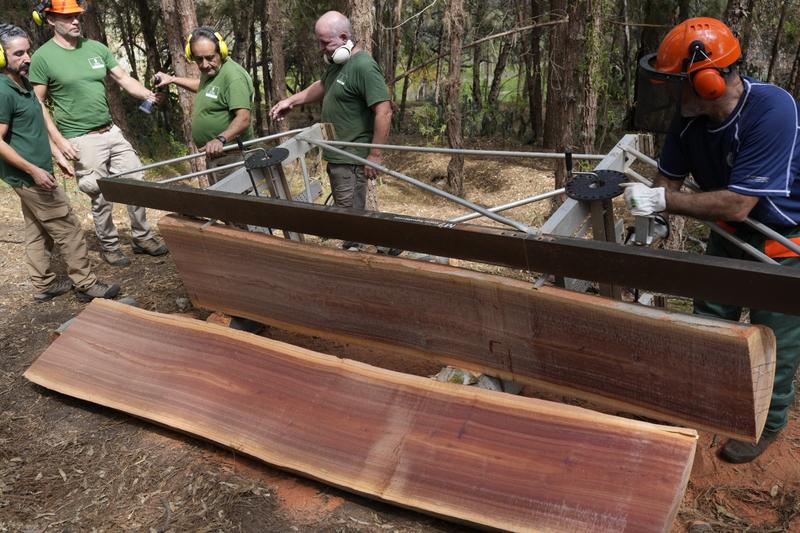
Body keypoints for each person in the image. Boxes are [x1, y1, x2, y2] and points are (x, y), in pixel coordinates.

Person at [626, 17, 800, 463]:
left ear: (706, 81)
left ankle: (766, 423)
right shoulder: (688, 122)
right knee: (710, 322)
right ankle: (707, 402)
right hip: (728, 236)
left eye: (674, 83)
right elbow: (666, 182)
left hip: (783, 241)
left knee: (774, 339)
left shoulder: (773, 110)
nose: (667, 93)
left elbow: (739, 204)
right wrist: (651, 214)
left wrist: (662, 200)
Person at [28, 0, 168, 268]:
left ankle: (142, 237)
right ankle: (110, 246)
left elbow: (124, 79)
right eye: (68, 17)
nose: (76, 21)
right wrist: (58, 143)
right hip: (80, 137)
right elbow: (38, 104)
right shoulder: (42, 58)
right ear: (50, 21)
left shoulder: (96, 48)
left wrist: (148, 94)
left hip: (111, 131)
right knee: (100, 192)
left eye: (77, 16)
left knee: (136, 180)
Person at [0, 23, 119, 302]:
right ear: (1, 57)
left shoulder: (21, 81)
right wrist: (34, 171)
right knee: (68, 226)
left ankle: (43, 283)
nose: (27, 58)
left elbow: (37, 119)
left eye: (28, 51)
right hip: (29, 175)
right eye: (18, 54)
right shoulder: (3, 92)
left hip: (33, 169)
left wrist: (56, 153)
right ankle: (86, 284)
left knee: (37, 228)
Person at [269, 10, 392, 250]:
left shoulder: (364, 66)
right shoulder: (339, 64)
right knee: (350, 213)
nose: (321, 48)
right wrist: (291, 101)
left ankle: (370, 250)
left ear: (344, 36)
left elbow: (384, 111)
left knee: (347, 215)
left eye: (324, 42)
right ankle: (375, 246)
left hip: (352, 156)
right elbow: (322, 86)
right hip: (339, 155)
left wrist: (375, 155)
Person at [155, 27, 254, 184]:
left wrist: (220, 139)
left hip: (233, 157)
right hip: (218, 157)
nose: (204, 64)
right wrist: (173, 79)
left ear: (221, 51)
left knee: (236, 207)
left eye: (209, 58)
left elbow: (243, 118)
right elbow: (205, 87)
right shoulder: (212, 72)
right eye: (198, 59)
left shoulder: (233, 77)